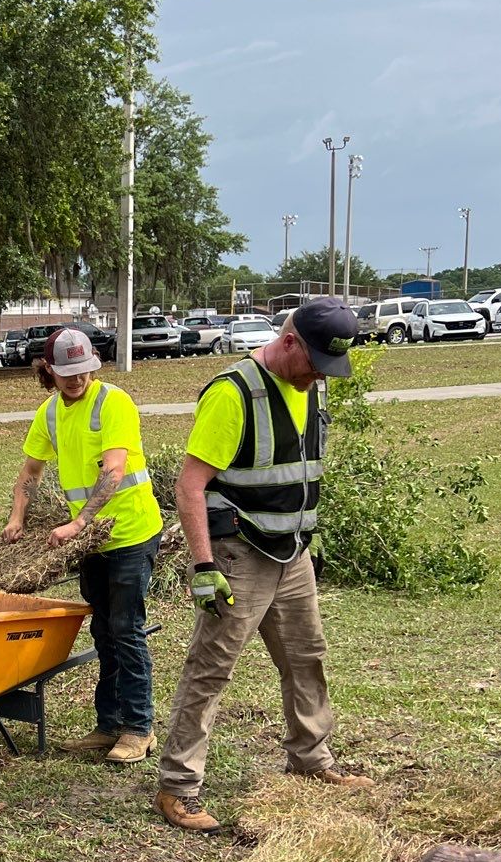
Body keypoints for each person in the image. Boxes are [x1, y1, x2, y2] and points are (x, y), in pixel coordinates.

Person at [154, 298, 373, 833]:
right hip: (239, 556)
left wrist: (304, 538)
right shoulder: (234, 393)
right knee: (211, 668)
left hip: (292, 554)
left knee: (306, 657)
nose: (320, 374)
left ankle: (311, 756)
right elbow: (190, 486)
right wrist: (204, 565)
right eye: (316, 361)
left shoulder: (308, 385)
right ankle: (178, 787)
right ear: (290, 340)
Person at [1, 328, 164, 762]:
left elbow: (113, 471)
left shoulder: (114, 403)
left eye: (84, 371)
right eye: (67, 373)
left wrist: (78, 523)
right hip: (91, 542)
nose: (76, 380)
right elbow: (31, 472)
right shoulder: (49, 413)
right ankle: (108, 725)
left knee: (126, 629)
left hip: (130, 531)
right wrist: (17, 516)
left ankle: (138, 727)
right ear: (49, 370)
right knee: (104, 630)